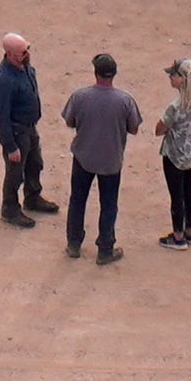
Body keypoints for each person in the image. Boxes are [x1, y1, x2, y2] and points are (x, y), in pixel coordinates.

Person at [62, 51, 146, 264]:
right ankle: (105, 249)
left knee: (78, 200)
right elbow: (134, 128)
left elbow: (69, 122)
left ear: (95, 72)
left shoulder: (80, 96)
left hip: (83, 157)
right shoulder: (125, 100)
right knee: (109, 204)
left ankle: (73, 243)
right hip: (111, 160)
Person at [0, 33, 51, 229]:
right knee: (15, 172)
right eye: (21, 53)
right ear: (8, 54)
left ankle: (32, 196)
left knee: (35, 163)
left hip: (29, 127)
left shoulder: (24, 67)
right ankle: (10, 208)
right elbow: (2, 116)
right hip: (17, 132)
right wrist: (10, 146)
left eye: (26, 50)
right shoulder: (4, 80)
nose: (26, 55)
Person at [155, 57, 191, 249]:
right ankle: (190, 230)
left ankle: (178, 236)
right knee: (190, 191)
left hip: (174, 153)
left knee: (177, 194)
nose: (171, 78)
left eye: (174, 76)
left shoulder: (175, 106)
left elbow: (159, 128)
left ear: (183, 79)